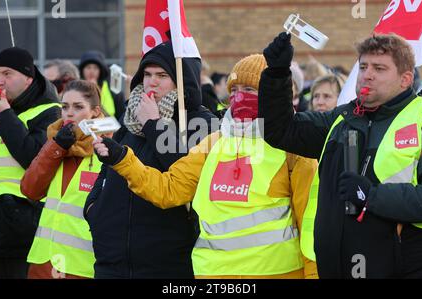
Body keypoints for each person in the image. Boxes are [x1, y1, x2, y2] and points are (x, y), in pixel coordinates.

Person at [93, 54, 318, 279]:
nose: (238, 96)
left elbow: (311, 228)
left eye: (248, 90)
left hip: (276, 273)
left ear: (273, 94)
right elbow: (168, 190)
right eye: (233, 89)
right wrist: (122, 159)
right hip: (212, 275)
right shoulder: (213, 142)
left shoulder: (294, 148)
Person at [259, 32, 422, 278]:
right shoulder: (342, 117)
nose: (367, 74)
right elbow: (280, 130)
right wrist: (277, 75)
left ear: (406, 79)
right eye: (363, 66)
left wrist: (371, 196)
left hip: (405, 269)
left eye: (379, 68)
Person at [83, 41, 216, 279]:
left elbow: (183, 176)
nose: (152, 81)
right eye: (147, 74)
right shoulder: (130, 117)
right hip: (111, 262)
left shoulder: (202, 123)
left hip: (167, 263)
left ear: (181, 81)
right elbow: (110, 168)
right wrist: (94, 208)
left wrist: (154, 125)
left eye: (162, 75)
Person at [0, 47, 61, 278]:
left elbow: (33, 158)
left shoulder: (50, 112)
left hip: (27, 224)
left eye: (7, 74)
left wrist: (5, 116)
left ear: (28, 78)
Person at [20, 80, 104, 279]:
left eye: (78, 107)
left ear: (95, 111)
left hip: (82, 266)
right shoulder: (55, 144)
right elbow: (30, 189)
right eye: (65, 107)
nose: (69, 113)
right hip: (43, 263)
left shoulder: (107, 149)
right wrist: (56, 147)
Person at [79, 50, 125, 119]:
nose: (92, 71)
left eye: (95, 68)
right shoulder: (75, 89)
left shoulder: (113, 91)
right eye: (88, 67)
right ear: (82, 70)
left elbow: (121, 117)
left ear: (100, 71)